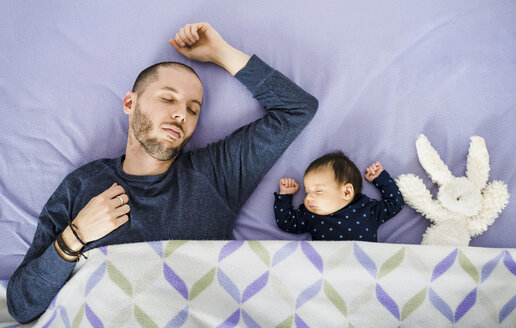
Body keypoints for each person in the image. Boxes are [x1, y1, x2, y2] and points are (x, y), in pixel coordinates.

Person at [7, 22, 318, 323]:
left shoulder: (217, 173)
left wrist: (220, 53)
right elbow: (22, 307)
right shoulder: (82, 186)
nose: (181, 113)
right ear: (130, 103)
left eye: (193, 109)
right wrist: (74, 237)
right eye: (168, 99)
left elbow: (297, 109)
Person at [274, 151, 404, 241]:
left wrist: (380, 178)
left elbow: (395, 203)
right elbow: (287, 222)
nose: (308, 198)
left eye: (318, 191)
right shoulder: (311, 215)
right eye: (307, 192)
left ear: (346, 192)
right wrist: (285, 195)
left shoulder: (367, 209)